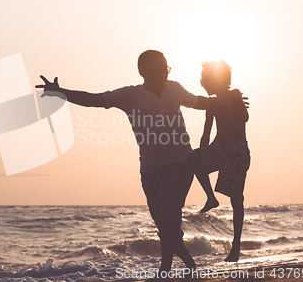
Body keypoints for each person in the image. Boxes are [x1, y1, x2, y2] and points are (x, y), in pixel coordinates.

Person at [36, 50, 214, 273]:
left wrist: (227, 99)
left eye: (166, 68)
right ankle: (190, 266)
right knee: (164, 224)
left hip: (181, 163)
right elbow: (95, 100)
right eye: (157, 70)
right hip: (150, 171)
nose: (163, 74)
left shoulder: (175, 89)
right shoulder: (129, 95)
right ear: (142, 72)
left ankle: (165, 271)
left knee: (165, 209)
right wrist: (61, 92)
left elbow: (201, 103)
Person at [187, 60, 250, 263]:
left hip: (238, 151)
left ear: (221, 79)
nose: (204, 83)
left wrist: (226, 106)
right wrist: (202, 150)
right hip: (219, 146)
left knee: (236, 198)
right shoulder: (211, 103)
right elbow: (206, 132)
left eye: (208, 79)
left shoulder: (235, 95)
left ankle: (236, 245)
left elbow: (245, 116)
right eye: (203, 80)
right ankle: (210, 198)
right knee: (192, 158)